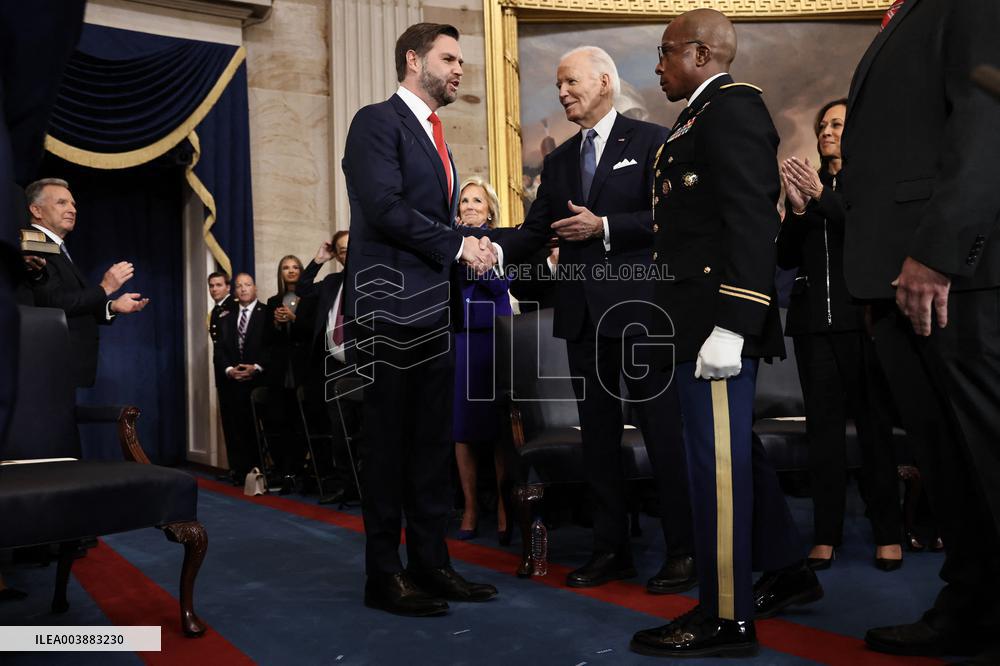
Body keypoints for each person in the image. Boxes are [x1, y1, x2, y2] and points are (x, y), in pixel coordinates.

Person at [630, 9, 822, 658]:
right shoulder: (697, 116)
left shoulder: (732, 109)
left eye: (664, 53)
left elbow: (750, 222)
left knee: (715, 468)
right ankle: (788, 568)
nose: (657, 67)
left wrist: (733, 326)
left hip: (717, 325)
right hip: (695, 321)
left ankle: (725, 616)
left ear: (702, 53)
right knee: (734, 453)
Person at [491, 46, 696, 595]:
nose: (562, 93)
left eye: (571, 82)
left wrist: (605, 226)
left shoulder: (652, 142)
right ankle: (612, 551)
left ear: (605, 81)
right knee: (598, 440)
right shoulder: (558, 164)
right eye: (558, 85)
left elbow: (673, 218)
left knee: (663, 434)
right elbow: (534, 235)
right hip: (581, 319)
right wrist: (479, 245)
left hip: (640, 315)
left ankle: (684, 551)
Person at [837, 0, 1000, 659]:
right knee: (950, 468)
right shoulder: (910, 10)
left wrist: (937, 251)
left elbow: (988, 124)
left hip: (953, 277)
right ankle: (971, 608)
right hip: (896, 280)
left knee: (987, 462)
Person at [341, 22, 499, 617]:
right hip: (386, 315)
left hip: (435, 315)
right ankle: (383, 575)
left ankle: (431, 565)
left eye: (461, 61)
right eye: (450, 58)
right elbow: (383, 208)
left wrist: (475, 246)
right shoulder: (376, 122)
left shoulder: (439, 137)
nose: (460, 70)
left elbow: (433, 222)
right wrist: (460, 246)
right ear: (414, 60)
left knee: (431, 448)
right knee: (386, 449)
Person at [776, 99, 903, 571]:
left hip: (864, 323)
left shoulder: (869, 181)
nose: (826, 131)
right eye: (823, 124)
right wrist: (795, 209)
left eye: (837, 124)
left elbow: (872, 236)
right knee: (822, 433)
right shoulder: (806, 187)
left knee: (874, 432)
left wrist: (822, 200)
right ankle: (825, 535)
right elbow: (787, 259)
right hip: (813, 327)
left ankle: (888, 532)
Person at [25, 178, 148, 388]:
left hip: (63, 364)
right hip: (50, 363)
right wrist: (105, 287)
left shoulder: (54, 247)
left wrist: (112, 306)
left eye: (73, 204)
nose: (72, 209)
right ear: (37, 210)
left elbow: (72, 301)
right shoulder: (35, 244)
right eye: (62, 203)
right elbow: (52, 303)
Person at [452, 177, 512, 542]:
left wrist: (486, 268)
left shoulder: (504, 240)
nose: (470, 206)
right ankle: (471, 508)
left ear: (489, 207)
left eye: (477, 200)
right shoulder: (447, 243)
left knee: (498, 426)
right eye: (464, 201)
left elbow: (507, 286)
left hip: (496, 338)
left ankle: (506, 509)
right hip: (459, 339)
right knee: (463, 429)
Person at [297, 230, 357, 502]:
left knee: (363, 429)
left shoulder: (370, 277)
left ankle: (367, 486)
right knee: (339, 431)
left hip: (363, 365)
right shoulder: (332, 281)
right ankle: (347, 486)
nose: (345, 253)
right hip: (333, 366)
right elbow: (303, 290)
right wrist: (319, 259)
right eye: (340, 250)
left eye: (349, 247)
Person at [262, 254, 313, 491]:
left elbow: (313, 332)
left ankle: (299, 470)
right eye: (286, 268)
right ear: (280, 273)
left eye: (295, 267)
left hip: (303, 369)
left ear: (302, 271)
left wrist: (294, 318)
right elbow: (265, 340)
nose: (291, 271)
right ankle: (283, 470)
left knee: (300, 423)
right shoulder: (273, 301)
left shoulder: (311, 298)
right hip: (280, 371)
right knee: (279, 421)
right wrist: (275, 324)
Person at [213, 273, 269, 483]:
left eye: (247, 285)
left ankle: (257, 471)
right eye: (239, 286)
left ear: (255, 287)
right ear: (234, 291)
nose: (243, 289)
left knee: (255, 428)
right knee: (235, 427)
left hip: (258, 381)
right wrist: (229, 369)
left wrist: (256, 367)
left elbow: (271, 346)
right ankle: (238, 470)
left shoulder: (266, 312)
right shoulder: (225, 313)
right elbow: (219, 349)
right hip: (233, 381)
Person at [208, 270, 235, 344]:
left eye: (218, 285)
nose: (214, 289)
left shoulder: (235, 306)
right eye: (211, 286)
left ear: (228, 287)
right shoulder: (216, 310)